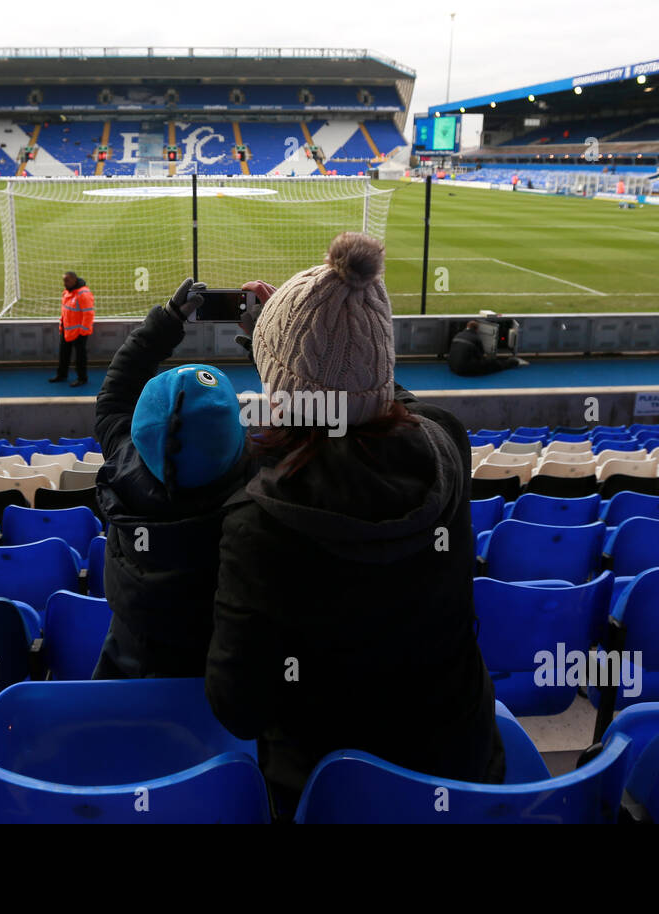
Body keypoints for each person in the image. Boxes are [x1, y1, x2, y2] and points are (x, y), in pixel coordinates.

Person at [206, 232, 505, 814]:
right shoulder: (447, 441)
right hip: (463, 775)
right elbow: (371, 391)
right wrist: (298, 340)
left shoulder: (258, 520)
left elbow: (235, 707)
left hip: (325, 795)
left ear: (278, 386)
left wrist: (281, 341)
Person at [90, 278, 254, 679]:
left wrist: (166, 320)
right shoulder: (269, 484)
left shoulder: (124, 462)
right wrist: (266, 342)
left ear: (142, 428)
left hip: (131, 681)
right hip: (227, 693)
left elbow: (115, 395)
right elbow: (324, 414)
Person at [49, 271, 94, 387]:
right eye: (64, 280)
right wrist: (62, 325)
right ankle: (62, 375)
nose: (64, 283)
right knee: (63, 354)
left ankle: (82, 378)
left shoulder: (83, 294)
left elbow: (88, 314)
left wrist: (83, 331)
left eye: (67, 280)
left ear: (74, 280)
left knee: (80, 357)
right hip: (67, 331)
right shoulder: (66, 293)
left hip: (79, 333)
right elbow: (65, 311)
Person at [448, 320, 521, 376]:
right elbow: (481, 357)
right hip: (464, 369)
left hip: (452, 366)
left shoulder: (458, 335)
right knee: (491, 363)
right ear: (476, 329)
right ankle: (511, 363)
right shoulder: (476, 338)